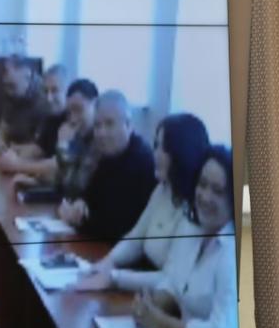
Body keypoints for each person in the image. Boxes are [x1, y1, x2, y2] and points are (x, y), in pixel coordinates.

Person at [78, 113, 209, 291]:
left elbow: (171, 280)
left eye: (162, 148)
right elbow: (135, 240)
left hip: (168, 299)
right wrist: (107, 263)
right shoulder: (163, 189)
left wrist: (114, 277)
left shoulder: (197, 206)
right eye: (155, 145)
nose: (155, 154)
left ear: (182, 153)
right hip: (144, 285)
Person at [133, 146, 238, 328]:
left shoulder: (232, 253)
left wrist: (163, 323)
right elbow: (175, 282)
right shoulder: (193, 230)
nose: (205, 196)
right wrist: (151, 303)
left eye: (217, 191)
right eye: (202, 184)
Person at [58, 89, 156, 241]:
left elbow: (118, 227)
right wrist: (80, 203)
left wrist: (75, 220)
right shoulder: (109, 153)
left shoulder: (141, 161)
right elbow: (91, 195)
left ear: (128, 124)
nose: (101, 133)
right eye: (97, 126)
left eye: (109, 124)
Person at [0, 63, 69, 179]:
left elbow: (59, 165)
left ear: (68, 91)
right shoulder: (51, 116)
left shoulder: (73, 120)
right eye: (45, 91)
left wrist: (16, 165)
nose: (49, 98)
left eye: (55, 90)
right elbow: (38, 149)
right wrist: (10, 153)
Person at [0, 54, 47, 157]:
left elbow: (39, 148)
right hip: (12, 155)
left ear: (26, 73)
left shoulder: (46, 100)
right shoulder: (12, 95)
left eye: (6, 72)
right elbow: (3, 130)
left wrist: (5, 147)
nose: (4, 79)